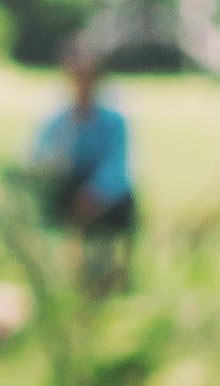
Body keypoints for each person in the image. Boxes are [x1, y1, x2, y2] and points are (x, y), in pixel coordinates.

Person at [21, 43, 141, 289]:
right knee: (66, 202)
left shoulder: (113, 122)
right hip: (67, 191)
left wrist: (97, 193)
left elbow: (118, 166)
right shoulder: (58, 123)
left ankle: (119, 276)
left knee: (126, 206)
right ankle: (74, 274)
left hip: (103, 195)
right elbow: (39, 160)